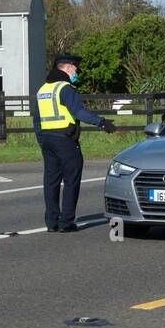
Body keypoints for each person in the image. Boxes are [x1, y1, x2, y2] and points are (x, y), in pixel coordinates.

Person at [33, 53, 116, 232]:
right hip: (65, 140)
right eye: (76, 69)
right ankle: (66, 222)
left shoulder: (43, 90)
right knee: (71, 181)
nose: (77, 72)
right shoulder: (65, 88)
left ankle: (52, 222)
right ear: (68, 67)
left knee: (51, 181)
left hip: (48, 140)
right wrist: (102, 122)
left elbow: (37, 120)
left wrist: (42, 140)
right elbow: (79, 112)